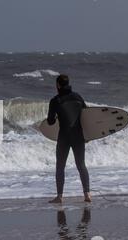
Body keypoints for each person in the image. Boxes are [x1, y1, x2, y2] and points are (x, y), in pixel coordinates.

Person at [47, 75, 91, 203]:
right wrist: (88, 135)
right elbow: (86, 116)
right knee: (81, 165)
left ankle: (59, 196)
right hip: (78, 136)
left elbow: (50, 121)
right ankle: (87, 194)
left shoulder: (55, 100)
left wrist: (54, 117)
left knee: (60, 166)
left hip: (64, 137)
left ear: (58, 85)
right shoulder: (78, 97)